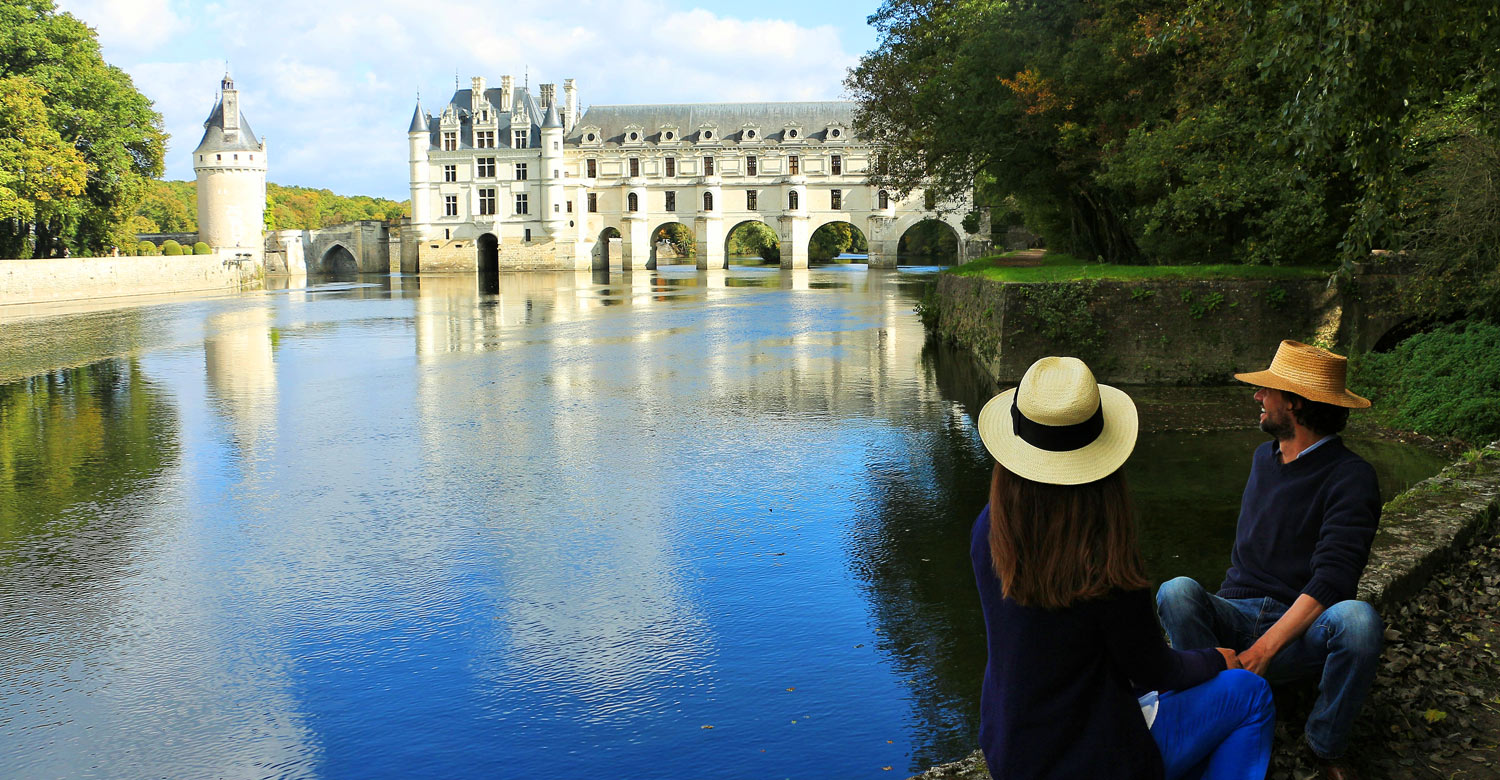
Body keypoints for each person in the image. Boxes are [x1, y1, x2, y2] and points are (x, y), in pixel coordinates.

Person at [973, 355, 1274, 780]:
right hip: (1089, 762)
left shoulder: (990, 527)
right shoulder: (1099, 557)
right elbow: (1152, 669)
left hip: (1011, 751)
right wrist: (1214, 659)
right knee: (1250, 694)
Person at [1156, 340, 1383, 780]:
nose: (1258, 396)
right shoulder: (1264, 457)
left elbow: (1335, 579)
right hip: (1235, 613)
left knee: (1359, 622)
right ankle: (1214, 708)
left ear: (1294, 403)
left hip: (1301, 632)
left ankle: (1324, 744)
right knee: (1176, 591)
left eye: (1268, 390)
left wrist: (1264, 649)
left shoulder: (1352, 476)